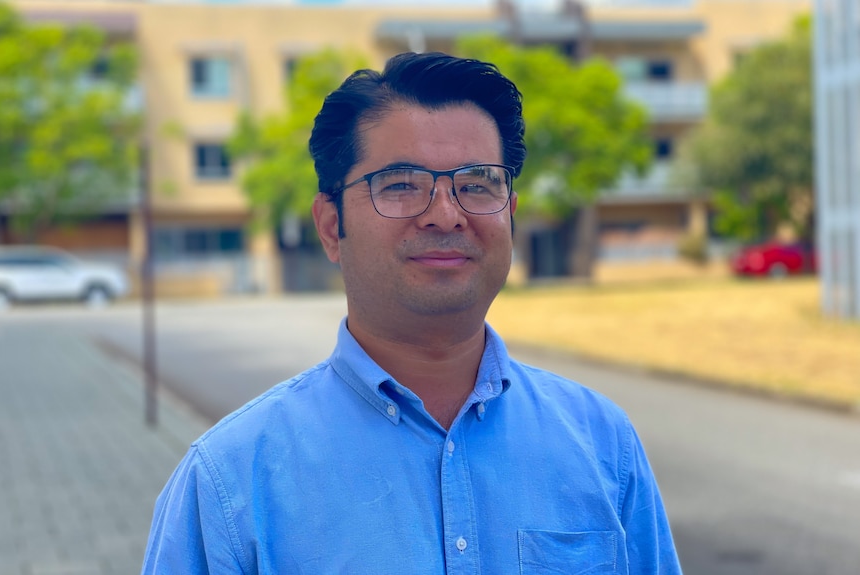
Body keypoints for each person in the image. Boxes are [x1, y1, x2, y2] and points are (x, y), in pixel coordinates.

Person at [141, 52, 682, 574]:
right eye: (400, 185)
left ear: (510, 216)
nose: (445, 214)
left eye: (477, 184)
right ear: (331, 227)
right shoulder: (231, 480)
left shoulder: (603, 444)